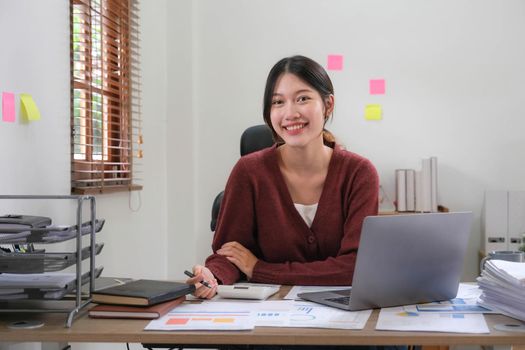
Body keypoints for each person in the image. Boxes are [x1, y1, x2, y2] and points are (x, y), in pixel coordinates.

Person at [186, 55, 379, 299]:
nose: (290, 113)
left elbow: (354, 268)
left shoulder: (359, 174)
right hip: (266, 321)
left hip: (340, 318)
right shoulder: (248, 172)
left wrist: (261, 269)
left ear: (328, 105)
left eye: (302, 98)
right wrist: (211, 275)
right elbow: (230, 257)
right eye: (278, 102)